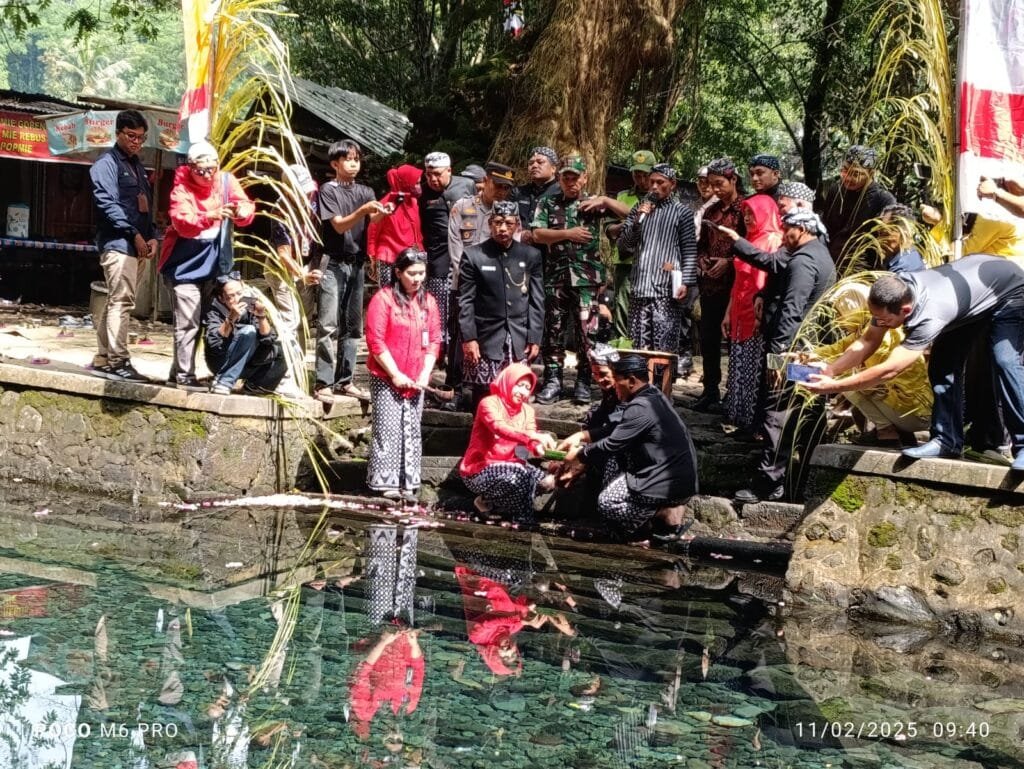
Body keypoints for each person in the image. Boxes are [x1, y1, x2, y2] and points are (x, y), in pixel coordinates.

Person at [802, 254, 1024, 470]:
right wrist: (831, 370)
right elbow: (869, 340)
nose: (879, 323)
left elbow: (890, 370)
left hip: (1010, 290)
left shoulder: (931, 315)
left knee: (1004, 359)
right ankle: (946, 441)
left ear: (905, 311)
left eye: (884, 320)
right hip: (969, 296)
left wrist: (834, 387)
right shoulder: (895, 295)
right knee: (942, 366)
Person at [722, 211, 836, 503]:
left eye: (787, 229)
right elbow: (773, 262)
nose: (783, 235)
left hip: (794, 353)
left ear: (801, 229)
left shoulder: (803, 262)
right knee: (808, 412)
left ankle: (769, 481)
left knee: (779, 411)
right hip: (810, 350)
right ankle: (806, 475)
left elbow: (792, 310)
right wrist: (738, 241)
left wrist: (779, 356)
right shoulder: (817, 252)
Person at [563, 355, 698, 540]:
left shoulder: (640, 407)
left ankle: (662, 512)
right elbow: (617, 431)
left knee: (607, 503)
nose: (615, 386)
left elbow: (612, 443)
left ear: (632, 381)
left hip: (669, 482)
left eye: (618, 381)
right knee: (613, 461)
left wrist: (580, 454)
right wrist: (582, 436)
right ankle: (633, 525)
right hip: (670, 475)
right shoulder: (653, 394)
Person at [159, 141, 255, 388]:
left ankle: (177, 372)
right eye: (200, 170)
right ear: (190, 167)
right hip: (183, 268)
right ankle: (184, 376)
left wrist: (241, 211)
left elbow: (246, 206)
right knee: (187, 321)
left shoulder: (225, 182)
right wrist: (209, 216)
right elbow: (182, 222)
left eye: (211, 169)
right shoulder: (181, 189)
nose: (206, 175)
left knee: (202, 320)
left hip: (213, 268)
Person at [807, 282, 930, 446]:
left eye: (840, 312)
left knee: (848, 377)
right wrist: (806, 356)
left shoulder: (884, 333)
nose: (838, 320)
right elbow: (837, 349)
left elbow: (872, 373)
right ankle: (896, 434)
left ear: (853, 309)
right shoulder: (870, 330)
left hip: (916, 413)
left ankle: (887, 433)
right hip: (906, 407)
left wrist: (831, 379)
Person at [364, 249, 442, 501]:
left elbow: (434, 341)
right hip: (387, 375)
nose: (417, 278)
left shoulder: (428, 302)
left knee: (411, 427)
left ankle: (408, 481)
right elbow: (376, 341)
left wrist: (425, 374)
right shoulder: (383, 299)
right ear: (398, 273)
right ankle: (385, 480)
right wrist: (395, 373)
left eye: (421, 273)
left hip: (416, 375)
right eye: (412, 273)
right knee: (388, 427)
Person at [314, 139, 386, 404]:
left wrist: (384, 210)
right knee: (328, 324)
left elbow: (373, 219)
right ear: (335, 164)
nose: (354, 163)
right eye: (348, 159)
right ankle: (323, 382)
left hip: (356, 263)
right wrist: (364, 211)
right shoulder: (328, 190)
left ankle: (346, 381)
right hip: (333, 263)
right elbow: (340, 226)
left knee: (354, 326)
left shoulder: (366, 190)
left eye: (357, 158)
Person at [531, 156, 607, 404]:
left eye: (576, 177)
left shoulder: (593, 203)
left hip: (587, 280)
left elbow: (631, 214)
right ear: (560, 179)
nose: (571, 182)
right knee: (553, 332)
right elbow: (537, 234)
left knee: (588, 334)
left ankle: (584, 382)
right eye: (566, 177)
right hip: (556, 278)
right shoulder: (548, 202)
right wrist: (568, 234)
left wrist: (604, 199)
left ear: (584, 178)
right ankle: (553, 381)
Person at [89, 109, 156, 382]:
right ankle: (119, 361)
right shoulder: (106, 163)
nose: (136, 142)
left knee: (116, 302)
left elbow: (144, 206)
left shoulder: (137, 166)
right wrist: (134, 235)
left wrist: (151, 235)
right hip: (118, 244)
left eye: (141, 137)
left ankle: (104, 357)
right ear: (118, 133)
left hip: (138, 246)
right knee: (122, 302)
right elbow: (108, 205)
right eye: (131, 136)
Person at [457, 201, 544, 407]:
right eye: (497, 222)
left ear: (517, 225)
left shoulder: (531, 255)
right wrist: (469, 337)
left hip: (518, 337)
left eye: (508, 223)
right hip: (485, 338)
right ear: (489, 223)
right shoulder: (473, 255)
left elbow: (537, 300)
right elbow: (465, 300)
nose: (502, 228)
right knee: (485, 397)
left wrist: (535, 337)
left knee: (517, 393)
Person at [458, 363, 556, 523]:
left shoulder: (527, 411)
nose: (523, 392)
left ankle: (498, 506)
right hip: (480, 468)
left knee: (546, 482)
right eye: (520, 385)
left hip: (511, 466)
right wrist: (532, 435)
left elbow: (531, 440)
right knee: (520, 475)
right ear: (508, 381)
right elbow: (499, 427)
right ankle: (502, 507)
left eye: (527, 387)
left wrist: (542, 449)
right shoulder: (489, 403)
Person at [618, 163, 697, 356]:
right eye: (651, 182)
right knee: (638, 347)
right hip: (640, 287)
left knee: (664, 348)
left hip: (666, 290)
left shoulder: (682, 212)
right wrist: (637, 220)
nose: (653, 187)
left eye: (659, 182)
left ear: (672, 184)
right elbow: (623, 246)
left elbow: (689, 249)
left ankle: (662, 386)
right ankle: (641, 385)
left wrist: (686, 282)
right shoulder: (639, 208)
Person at [723, 194, 778, 432]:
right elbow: (737, 281)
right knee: (738, 363)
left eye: (752, 213)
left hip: (755, 311)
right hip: (738, 308)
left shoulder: (773, 241)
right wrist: (728, 313)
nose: (747, 218)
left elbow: (767, 282)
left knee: (753, 367)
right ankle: (738, 418)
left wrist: (760, 316)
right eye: (744, 213)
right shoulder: (748, 239)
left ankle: (751, 423)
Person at [419, 151, 476, 378]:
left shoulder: (467, 185)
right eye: (429, 174)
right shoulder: (422, 193)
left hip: (467, 252)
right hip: (439, 256)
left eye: (438, 174)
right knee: (440, 308)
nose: (433, 179)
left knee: (463, 305)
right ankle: (438, 352)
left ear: (450, 171)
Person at [694, 158, 744, 412]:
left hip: (736, 285)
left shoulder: (745, 209)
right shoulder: (711, 211)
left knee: (735, 339)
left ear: (733, 179)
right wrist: (702, 259)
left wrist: (729, 261)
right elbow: (701, 242)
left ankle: (734, 392)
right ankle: (710, 389)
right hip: (710, 285)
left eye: (720, 184)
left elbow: (753, 247)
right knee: (708, 337)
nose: (715, 189)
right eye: (711, 184)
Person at [268, 163, 322, 358]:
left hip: (306, 263)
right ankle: (283, 368)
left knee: (304, 320)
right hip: (282, 268)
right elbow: (283, 254)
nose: (307, 196)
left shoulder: (314, 197)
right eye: (301, 192)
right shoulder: (280, 210)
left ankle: (297, 365)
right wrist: (302, 274)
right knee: (289, 320)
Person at [203, 277, 287, 395]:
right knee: (249, 331)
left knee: (283, 350)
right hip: (221, 362)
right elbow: (215, 344)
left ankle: (255, 386)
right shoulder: (214, 312)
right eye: (231, 296)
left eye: (239, 293)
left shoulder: (249, 309)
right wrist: (231, 318)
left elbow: (268, 339)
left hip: (246, 363)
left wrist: (261, 316)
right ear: (222, 298)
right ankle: (224, 381)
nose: (237, 299)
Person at [605, 149, 657, 340]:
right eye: (637, 174)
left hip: (653, 263)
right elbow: (608, 229)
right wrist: (627, 225)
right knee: (622, 307)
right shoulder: (621, 196)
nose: (641, 179)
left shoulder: (663, 197)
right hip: (626, 261)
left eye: (645, 175)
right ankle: (624, 348)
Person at [816, 144, 896, 263]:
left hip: (860, 265)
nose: (847, 178)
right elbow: (826, 225)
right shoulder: (836, 190)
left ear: (871, 173)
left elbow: (888, 240)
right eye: (844, 170)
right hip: (829, 259)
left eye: (856, 174)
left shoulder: (883, 199)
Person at [366, 163, 423, 288]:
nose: (419, 187)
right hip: (389, 257)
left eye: (419, 183)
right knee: (389, 297)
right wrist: (372, 255)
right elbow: (373, 227)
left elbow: (416, 230)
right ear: (406, 183)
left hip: (409, 257)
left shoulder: (413, 202)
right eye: (416, 183)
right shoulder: (386, 204)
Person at [513, 146, 561, 243]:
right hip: (519, 248)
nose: (534, 166)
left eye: (540, 162)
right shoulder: (518, 192)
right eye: (531, 163)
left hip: (549, 250)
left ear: (553, 168)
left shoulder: (561, 193)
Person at [876, 204, 926, 273]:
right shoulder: (911, 254)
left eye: (885, 234)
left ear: (904, 234)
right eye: (879, 234)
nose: (879, 240)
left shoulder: (901, 270)